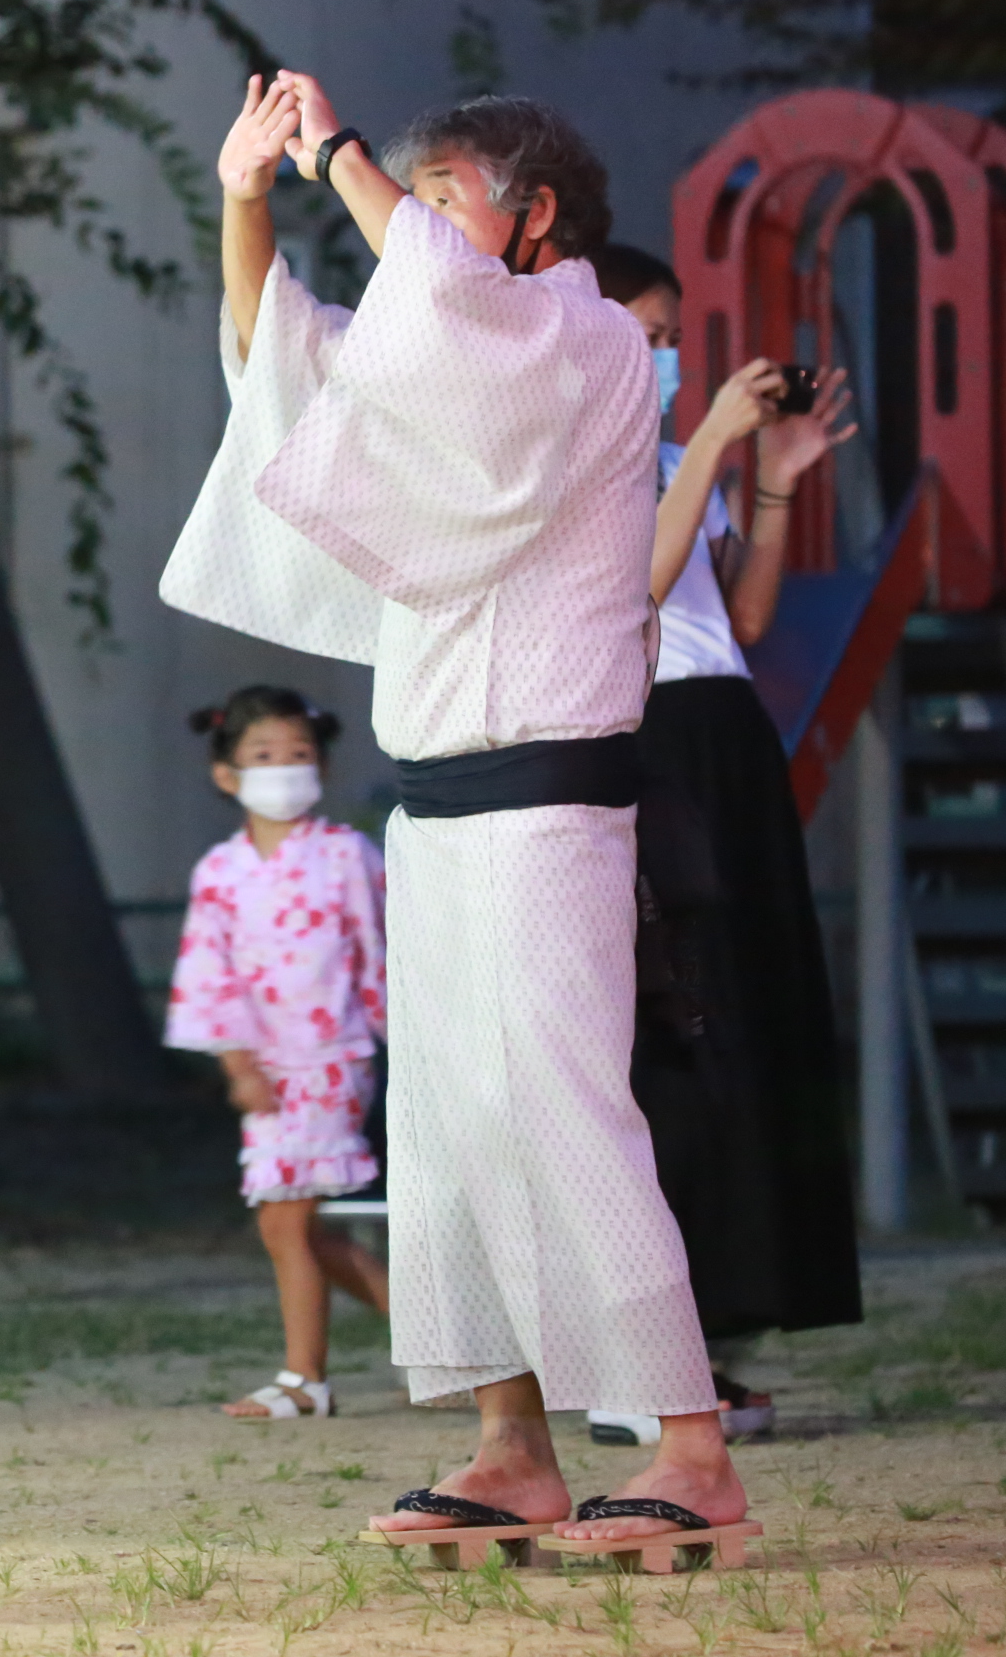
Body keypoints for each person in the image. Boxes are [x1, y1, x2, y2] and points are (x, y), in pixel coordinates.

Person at [160, 75, 746, 1549]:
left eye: (445, 200)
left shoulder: (595, 338)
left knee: (564, 1111)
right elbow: (279, 362)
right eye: (405, 203)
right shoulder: (451, 358)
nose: (410, 228)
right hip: (438, 805)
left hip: (551, 797)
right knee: (448, 1131)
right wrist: (249, 194)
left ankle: (690, 1450)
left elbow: (452, 312)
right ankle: (510, 1445)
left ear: (534, 217)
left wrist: (344, 154)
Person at [580, 243, 863, 1447]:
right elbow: (632, 591)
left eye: (667, 335)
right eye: (642, 333)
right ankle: (633, 1359)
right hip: (642, 741)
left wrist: (780, 476)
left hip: (723, 730)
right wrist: (708, 450)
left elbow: (731, 616)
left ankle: (716, 1337)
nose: (664, 356)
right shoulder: (572, 461)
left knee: (750, 1024)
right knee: (667, 1037)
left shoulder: (655, 454)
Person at [165, 685, 390, 1421]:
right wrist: (237, 1066)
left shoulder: (348, 854)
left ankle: (305, 1380)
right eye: (264, 755)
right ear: (227, 774)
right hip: (264, 1067)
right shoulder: (220, 871)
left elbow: (382, 952)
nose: (283, 768)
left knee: (287, 1222)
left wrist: (406, 1044)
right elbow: (209, 972)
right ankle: (437, 1350)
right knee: (293, 1224)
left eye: (298, 754)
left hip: (331, 1055)